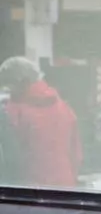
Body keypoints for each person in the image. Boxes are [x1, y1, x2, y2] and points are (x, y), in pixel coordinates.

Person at [0, 56, 82, 188]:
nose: (6, 92)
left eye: (7, 87)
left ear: (22, 83)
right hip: (65, 188)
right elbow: (76, 155)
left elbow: (9, 160)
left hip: (29, 191)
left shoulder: (12, 112)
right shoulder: (64, 107)